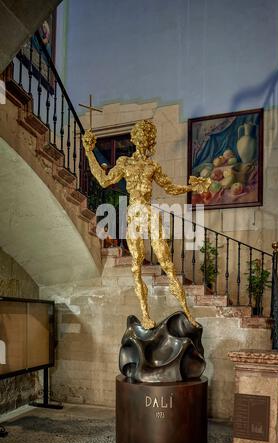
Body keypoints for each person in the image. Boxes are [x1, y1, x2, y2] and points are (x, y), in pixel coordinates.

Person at [82, 120, 210, 329]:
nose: (143, 140)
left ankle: (188, 314)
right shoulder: (124, 162)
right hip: (133, 213)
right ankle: (145, 315)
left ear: (150, 141)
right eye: (140, 136)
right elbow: (104, 181)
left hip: (149, 213)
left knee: (167, 263)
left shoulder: (153, 166)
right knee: (136, 266)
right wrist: (89, 153)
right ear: (134, 138)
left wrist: (191, 187)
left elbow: (170, 187)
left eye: (147, 137)